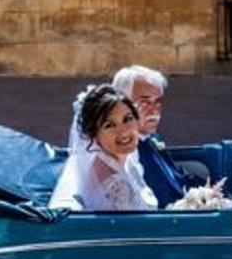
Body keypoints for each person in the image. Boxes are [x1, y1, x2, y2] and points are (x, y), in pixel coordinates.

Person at [49, 85, 158, 212]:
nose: (123, 132)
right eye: (109, 125)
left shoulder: (127, 159)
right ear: (94, 135)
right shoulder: (116, 186)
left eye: (127, 119)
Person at [110, 64, 202, 207]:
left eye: (158, 101)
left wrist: (206, 193)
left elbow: (177, 176)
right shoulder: (125, 154)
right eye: (145, 102)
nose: (154, 110)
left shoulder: (153, 138)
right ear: (122, 104)